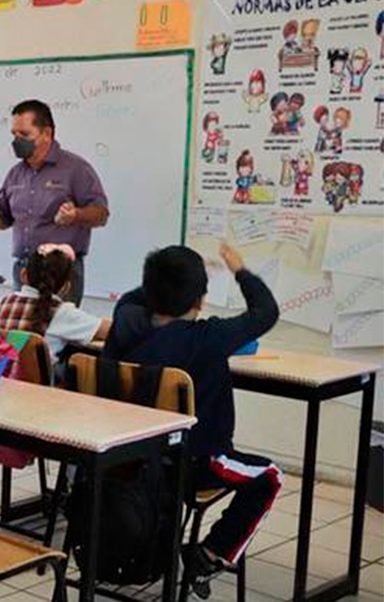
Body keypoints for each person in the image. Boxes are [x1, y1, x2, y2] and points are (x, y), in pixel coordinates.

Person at [105, 244, 281, 596]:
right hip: (195, 464)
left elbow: (133, 296)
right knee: (269, 477)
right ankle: (211, 553)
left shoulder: (125, 319)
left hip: (132, 459)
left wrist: (170, 279)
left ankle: (202, 553)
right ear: (199, 300)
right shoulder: (208, 337)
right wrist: (239, 270)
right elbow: (265, 312)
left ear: (149, 289)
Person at [0, 99, 109, 306]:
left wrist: (76, 215)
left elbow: (101, 214)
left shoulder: (76, 169)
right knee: (24, 333)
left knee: (56, 333)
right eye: (14, 134)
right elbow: (1, 218)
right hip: (24, 270)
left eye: (25, 135)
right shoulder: (16, 174)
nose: (17, 140)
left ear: (47, 133)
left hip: (61, 272)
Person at [0, 243, 109, 361]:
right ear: (66, 287)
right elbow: (113, 330)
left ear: (23, 275)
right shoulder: (61, 312)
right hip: (34, 380)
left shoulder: (6, 301)